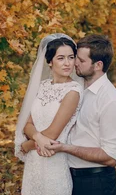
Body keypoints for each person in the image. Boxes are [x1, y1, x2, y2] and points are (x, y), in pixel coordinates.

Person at [47, 34, 116, 195]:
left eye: (81, 60)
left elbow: (110, 156)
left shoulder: (110, 100)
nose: (75, 63)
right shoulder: (75, 86)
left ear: (98, 65)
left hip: (95, 182)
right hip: (67, 177)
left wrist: (66, 148)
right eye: (76, 57)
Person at [14, 33, 84, 195]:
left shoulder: (73, 91)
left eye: (71, 57)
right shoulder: (42, 86)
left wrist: (26, 146)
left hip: (54, 162)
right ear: (49, 61)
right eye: (61, 58)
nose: (67, 63)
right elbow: (27, 123)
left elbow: (53, 133)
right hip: (34, 163)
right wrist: (37, 138)